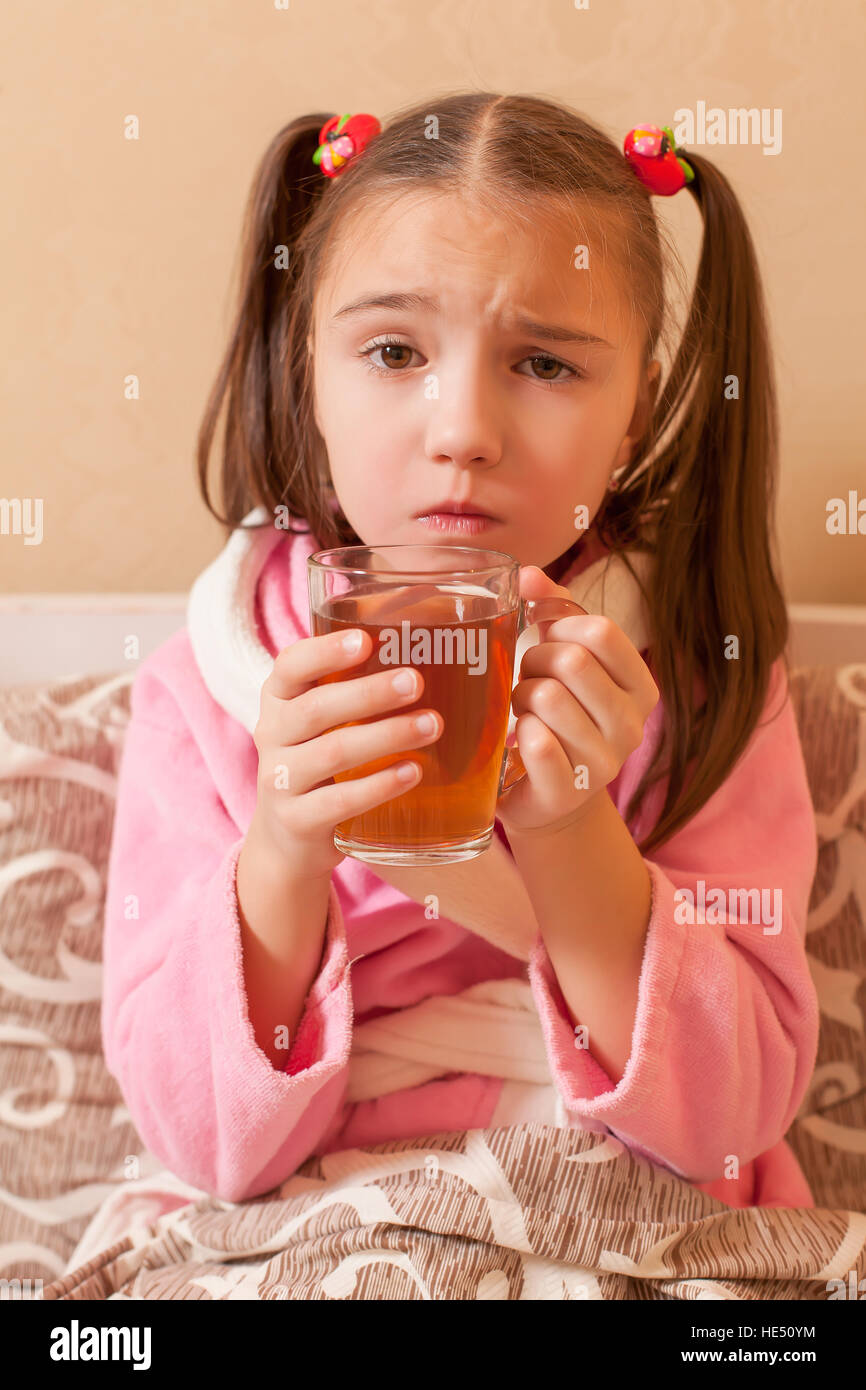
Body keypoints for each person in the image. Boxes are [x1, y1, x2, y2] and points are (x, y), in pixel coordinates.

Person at [101, 92, 819, 1211]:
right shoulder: (208, 685)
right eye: (392, 350)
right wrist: (286, 851)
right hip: (323, 1211)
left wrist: (576, 833)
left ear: (633, 415)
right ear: (309, 380)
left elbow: (728, 1125)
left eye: (544, 366)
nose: (462, 430)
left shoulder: (703, 678)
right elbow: (202, 1147)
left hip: (620, 1204)